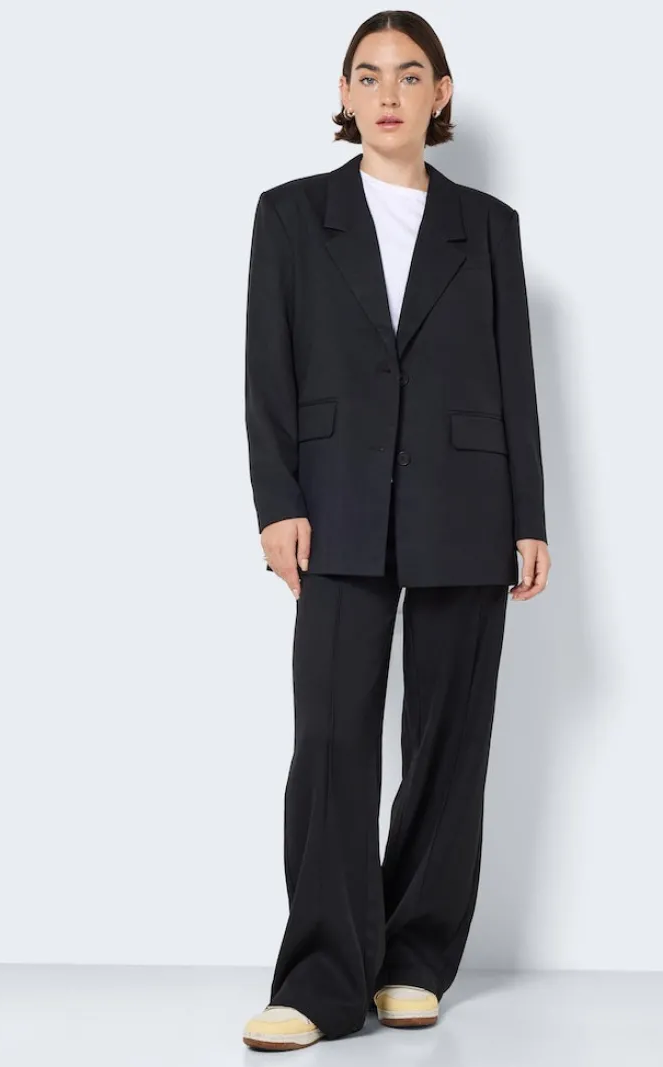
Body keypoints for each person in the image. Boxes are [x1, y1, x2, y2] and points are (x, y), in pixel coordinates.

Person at [241, 9, 551, 1052]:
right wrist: (276, 500)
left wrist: (528, 516)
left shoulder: (488, 226)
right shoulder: (291, 215)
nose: (387, 93)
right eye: (367, 75)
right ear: (343, 94)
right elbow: (267, 368)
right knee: (332, 738)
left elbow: (514, 375)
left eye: (409, 75)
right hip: (332, 500)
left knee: (447, 739)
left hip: (467, 497)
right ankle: (322, 977)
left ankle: (413, 960)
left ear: (440, 94)